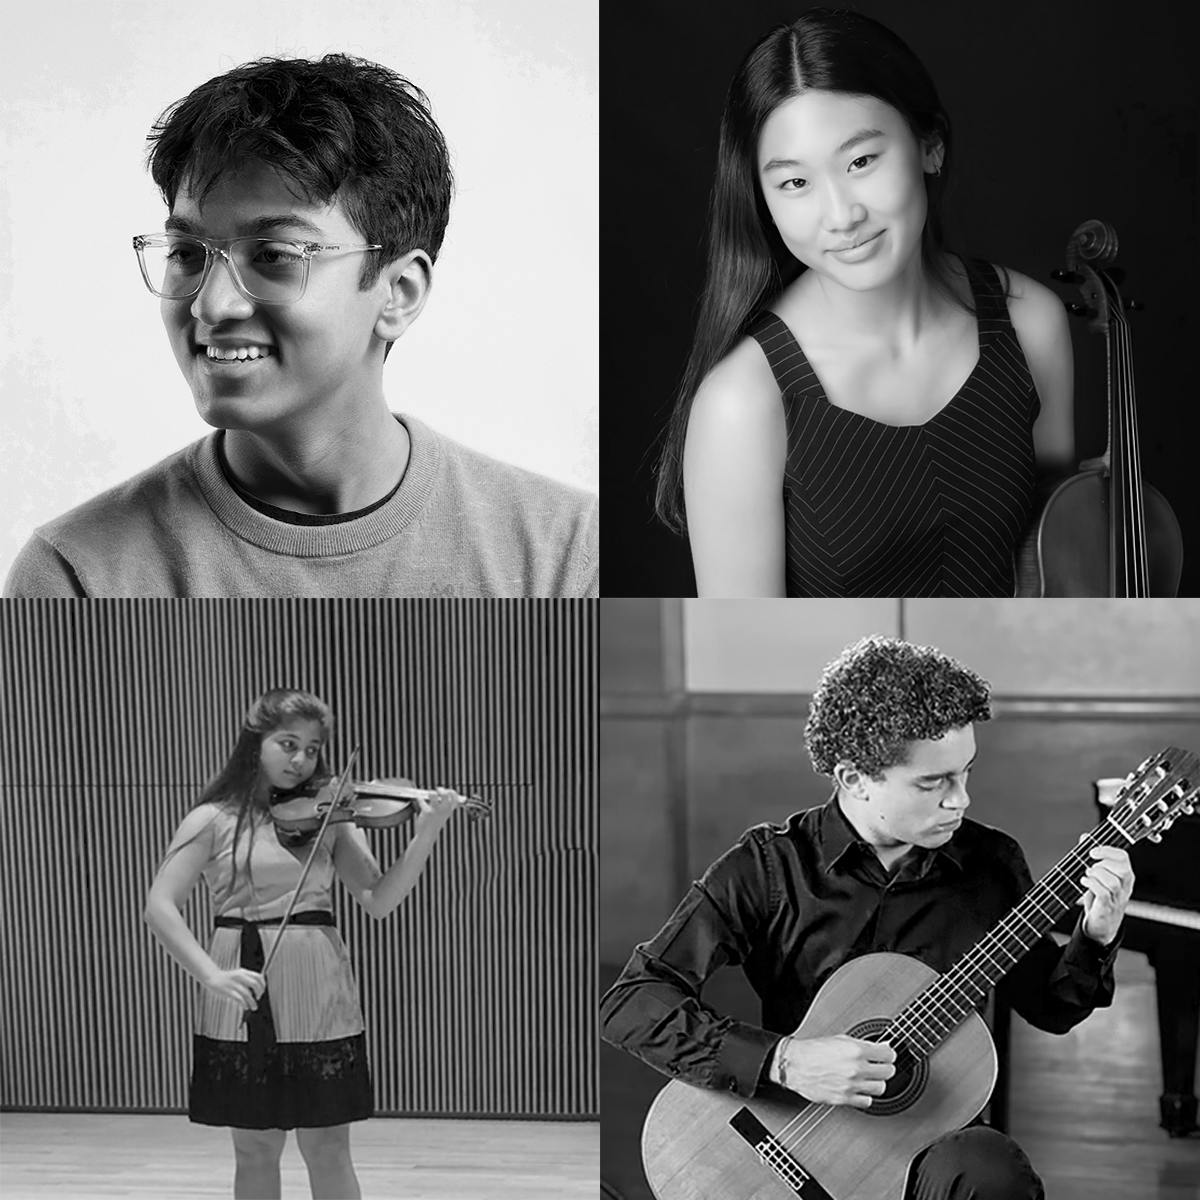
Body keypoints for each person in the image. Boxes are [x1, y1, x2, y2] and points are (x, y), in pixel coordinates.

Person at [5, 54, 597, 598]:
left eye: (274, 255)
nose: (212, 306)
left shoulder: (566, 557)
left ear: (398, 293)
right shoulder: (76, 576)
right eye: (186, 253)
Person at [600, 636, 1134, 1200]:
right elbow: (630, 1003)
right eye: (934, 783)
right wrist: (785, 1061)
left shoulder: (991, 865)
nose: (962, 800)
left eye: (965, 773)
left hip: (925, 1143)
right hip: (784, 1132)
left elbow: (1051, 1009)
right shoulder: (769, 867)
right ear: (854, 778)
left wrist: (1095, 936)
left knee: (993, 1172)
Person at [652, 9, 1074, 597]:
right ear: (763, 199)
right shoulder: (742, 402)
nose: (841, 215)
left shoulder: (1032, 323)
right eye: (795, 182)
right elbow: (745, 661)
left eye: (860, 161)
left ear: (931, 146)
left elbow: (1059, 572)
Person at [143, 688, 461, 1200]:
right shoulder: (212, 818)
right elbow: (159, 905)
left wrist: (425, 835)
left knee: (329, 1146)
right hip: (242, 985)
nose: (300, 759)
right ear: (256, 743)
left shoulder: (329, 817)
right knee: (255, 1149)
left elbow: (378, 900)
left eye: (311, 749)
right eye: (287, 744)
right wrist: (210, 974)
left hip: (319, 990)